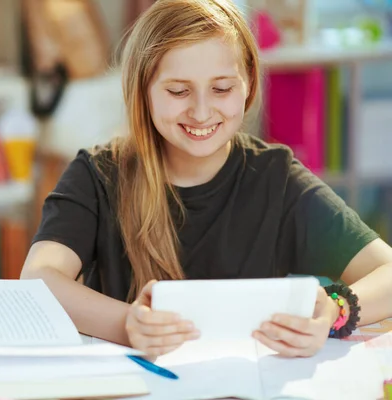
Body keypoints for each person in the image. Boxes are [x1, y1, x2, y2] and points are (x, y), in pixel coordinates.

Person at [20, 0, 392, 358]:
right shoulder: (96, 176)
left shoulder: (277, 180)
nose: (201, 112)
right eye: (178, 91)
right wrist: (126, 324)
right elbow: (39, 278)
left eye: (222, 88)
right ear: (143, 90)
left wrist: (333, 311)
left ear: (248, 84)